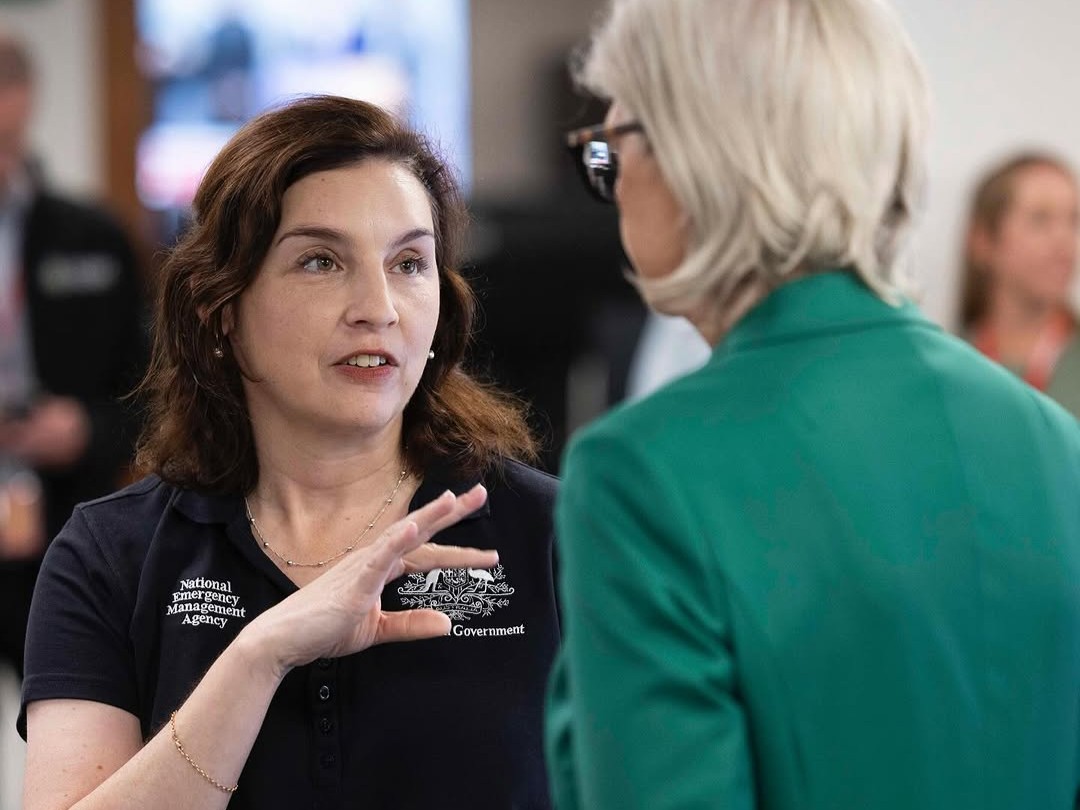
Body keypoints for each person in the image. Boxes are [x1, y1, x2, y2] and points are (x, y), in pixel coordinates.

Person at [545, 1, 1080, 808]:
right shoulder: (1054, 441)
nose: (612, 189)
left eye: (612, 151)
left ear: (697, 157)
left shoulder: (641, 475)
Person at [19, 95, 559, 810]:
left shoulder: (556, 533)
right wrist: (258, 657)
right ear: (221, 310)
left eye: (409, 262)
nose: (378, 306)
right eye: (320, 261)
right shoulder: (107, 556)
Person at [0, 31, 145, 681]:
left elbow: (152, 394)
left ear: (24, 97)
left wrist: (87, 428)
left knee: (72, 722)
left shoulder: (93, 238)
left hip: (65, 525)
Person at [959, 152, 1080, 417]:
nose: (1064, 240)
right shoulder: (945, 365)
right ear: (982, 240)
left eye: (1073, 220)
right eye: (1040, 218)